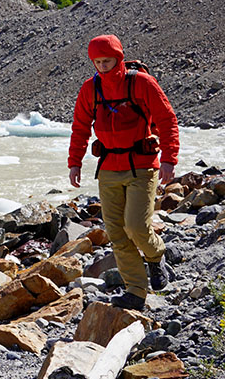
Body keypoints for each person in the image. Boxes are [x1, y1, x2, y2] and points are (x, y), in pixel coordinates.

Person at [68, 34, 179, 311]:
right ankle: (136, 292)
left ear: (119, 57)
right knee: (117, 234)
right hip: (108, 168)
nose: (103, 67)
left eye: (108, 61)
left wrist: (169, 159)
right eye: (97, 62)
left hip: (142, 165)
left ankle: (156, 254)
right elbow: (80, 127)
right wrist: (75, 162)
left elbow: (167, 120)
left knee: (136, 226)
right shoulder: (90, 89)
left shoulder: (142, 83)